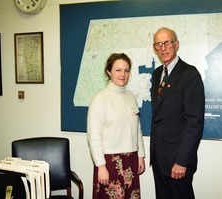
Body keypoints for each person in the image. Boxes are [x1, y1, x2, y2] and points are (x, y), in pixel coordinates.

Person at [150, 27, 205, 199]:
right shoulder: (157, 73)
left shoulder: (189, 74)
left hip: (178, 160)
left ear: (176, 44)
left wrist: (182, 160)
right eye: (158, 44)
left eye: (167, 42)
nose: (163, 48)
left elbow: (194, 122)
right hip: (159, 157)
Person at [87, 53, 146, 199]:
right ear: (109, 72)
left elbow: (137, 129)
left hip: (131, 159)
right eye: (118, 70)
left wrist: (140, 156)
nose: (123, 74)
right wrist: (101, 166)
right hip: (109, 163)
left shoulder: (131, 97)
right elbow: (94, 136)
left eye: (126, 70)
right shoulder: (100, 99)